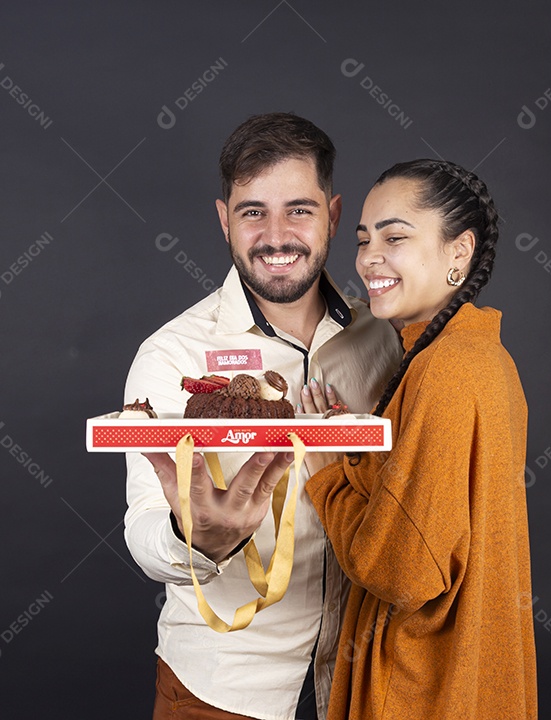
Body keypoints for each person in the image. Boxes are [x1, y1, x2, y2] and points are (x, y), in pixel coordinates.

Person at [123, 112, 401, 720]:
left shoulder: (383, 338)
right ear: (224, 219)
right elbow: (144, 527)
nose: (277, 236)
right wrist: (195, 538)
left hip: (366, 683)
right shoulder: (171, 353)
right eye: (253, 212)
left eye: (298, 210)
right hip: (223, 689)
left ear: (332, 213)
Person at [302, 159, 538, 718]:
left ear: (460, 252)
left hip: (422, 690)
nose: (369, 258)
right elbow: (435, 519)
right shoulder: (478, 357)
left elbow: (404, 570)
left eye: (395, 237)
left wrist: (330, 473)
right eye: (363, 240)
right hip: (467, 681)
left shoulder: (445, 370)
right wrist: (359, 451)